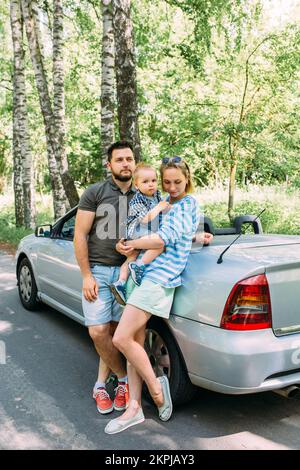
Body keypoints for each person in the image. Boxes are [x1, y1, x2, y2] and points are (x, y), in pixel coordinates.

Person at [104, 156, 205, 434]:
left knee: (121, 337)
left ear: (188, 180)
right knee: (135, 342)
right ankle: (133, 408)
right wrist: (199, 237)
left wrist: (129, 244)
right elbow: (179, 235)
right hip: (144, 273)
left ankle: (156, 391)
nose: (172, 187)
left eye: (178, 182)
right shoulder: (165, 204)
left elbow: (163, 239)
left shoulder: (188, 203)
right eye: (167, 182)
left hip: (160, 278)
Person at [73, 141, 136, 415]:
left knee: (115, 332)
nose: (125, 163)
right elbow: (79, 235)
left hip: (130, 274)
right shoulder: (95, 192)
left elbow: (165, 227)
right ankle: (123, 379)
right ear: (109, 165)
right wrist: (86, 275)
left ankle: (102, 385)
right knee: (98, 331)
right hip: (99, 271)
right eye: (119, 159)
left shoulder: (145, 193)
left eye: (129, 159)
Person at [111, 162, 172, 305]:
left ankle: (120, 283)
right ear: (136, 186)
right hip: (137, 229)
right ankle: (139, 265)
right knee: (159, 244)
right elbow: (145, 219)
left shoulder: (156, 194)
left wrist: (167, 207)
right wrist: (159, 207)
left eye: (153, 180)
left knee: (131, 256)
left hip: (139, 232)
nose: (151, 184)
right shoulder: (138, 199)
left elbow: (162, 208)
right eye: (145, 182)